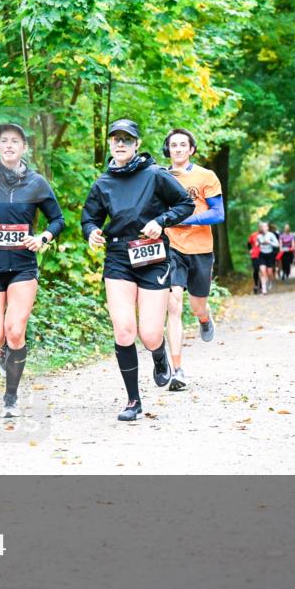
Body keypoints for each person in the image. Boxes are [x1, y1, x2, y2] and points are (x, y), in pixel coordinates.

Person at [81, 119, 194, 421]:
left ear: (137, 145)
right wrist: (91, 231)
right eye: (115, 139)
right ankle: (133, 400)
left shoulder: (155, 175)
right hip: (118, 256)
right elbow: (89, 218)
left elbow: (185, 203)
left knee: (150, 333)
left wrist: (162, 221)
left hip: (152, 254)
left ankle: (159, 355)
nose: (120, 144)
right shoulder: (102, 183)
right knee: (123, 329)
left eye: (126, 140)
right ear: (110, 144)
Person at [0, 123, 65, 417]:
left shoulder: (37, 183)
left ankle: (11, 398)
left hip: (22, 267)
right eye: (4, 141)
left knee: (15, 331)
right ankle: (4, 352)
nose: (9, 145)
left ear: (23, 148)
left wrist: (43, 238)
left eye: (15, 141)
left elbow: (57, 219)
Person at [161, 128, 224, 391]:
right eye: (173, 145)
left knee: (198, 304)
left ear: (191, 149)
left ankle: (204, 318)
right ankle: (177, 370)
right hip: (171, 248)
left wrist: (188, 219)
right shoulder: (160, 177)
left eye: (182, 144)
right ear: (168, 149)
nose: (177, 148)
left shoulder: (206, 176)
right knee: (173, 306)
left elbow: (218, 213)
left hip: (200, 248)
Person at [256, 222, 279, 294]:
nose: (263, 228)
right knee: (262, 271)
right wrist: (260, 243)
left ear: (267, 228)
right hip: (262, 254)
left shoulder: (271, 235)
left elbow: (277, 245)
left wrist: (269, 242)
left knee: (269, 272)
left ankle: (270, 281)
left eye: (264, 227)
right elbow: (256, 245)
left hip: (270, 255)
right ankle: (264, 288)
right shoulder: (259, 236)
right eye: (262, 227)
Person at [248, 227, 262, 294]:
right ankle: (256, 285)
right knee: (256, 270)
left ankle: (262, 286)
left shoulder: (267, 235)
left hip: (263, 254)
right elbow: (248, 243)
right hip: (255, 255)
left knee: (262, 270)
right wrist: (250, 249)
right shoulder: (253, 235)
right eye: (261, 227)